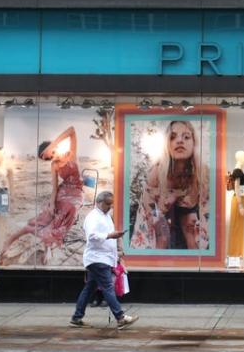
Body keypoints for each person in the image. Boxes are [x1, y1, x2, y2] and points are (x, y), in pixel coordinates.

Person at [1, 127, 84, 264]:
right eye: (49, 158)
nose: (52, 158)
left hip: (76, 193)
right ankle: (12, 240)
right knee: (46, 215)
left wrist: (51, 145)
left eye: (50, 155)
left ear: (53, 147)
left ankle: (48, 244)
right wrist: (51, 203)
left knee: (68, 209)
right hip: (63, 192)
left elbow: (72, 131)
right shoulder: (55, 165)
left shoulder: (71, 154)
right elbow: (55, 187)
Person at [131, 120, 210, 251]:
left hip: (188, 215)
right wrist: (161, 215)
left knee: (192, 228)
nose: (179, 141)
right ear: (167, 145)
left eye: (186, 137)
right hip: (159, 215)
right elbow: (149, 212)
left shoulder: (202, 173)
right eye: (173, 137)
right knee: (161, 233)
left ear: (194, 143)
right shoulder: (156, 173)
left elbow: (206, 211)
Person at [69, 191, 138, 329]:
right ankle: (120, 317)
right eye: (107, 204)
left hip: (103, 258)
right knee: (108, 287)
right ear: (99, 202)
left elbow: (106, 235)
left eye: (111, 204)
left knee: (89, 289)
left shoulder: (105, 216)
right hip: (97, 258)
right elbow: (92, 236)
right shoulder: (93, 217)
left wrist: (115, 243)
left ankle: (77, 317)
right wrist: (110, 235)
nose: (110, 207)